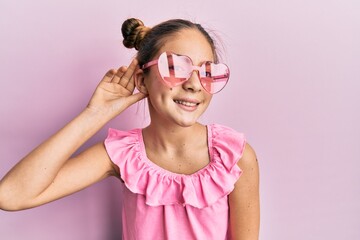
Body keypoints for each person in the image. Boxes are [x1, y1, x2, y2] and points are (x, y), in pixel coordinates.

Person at [0, 18, 260, 239]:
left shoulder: (233, 156)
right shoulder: (123, 155)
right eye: (175, 67)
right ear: (142, 81)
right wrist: (94, 115)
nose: (194, 84)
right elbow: (10, 196)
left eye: (206, 71)